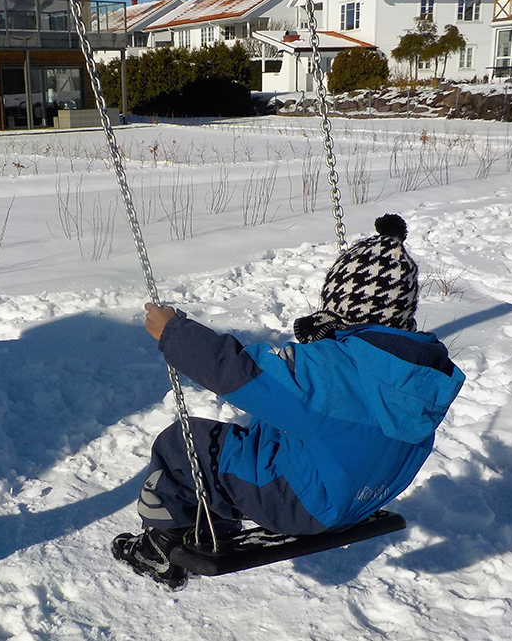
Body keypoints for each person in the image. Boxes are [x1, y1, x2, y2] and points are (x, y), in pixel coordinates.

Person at [112, 214, 466, 589]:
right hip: (361, 497)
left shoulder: (333, 371)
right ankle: (212, 514)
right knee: (261, 436)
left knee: (185, 442)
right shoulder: (423, 374)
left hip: (298, 501)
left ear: (342, 303)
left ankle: (159, 546)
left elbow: (242, 372)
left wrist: (174, 333)